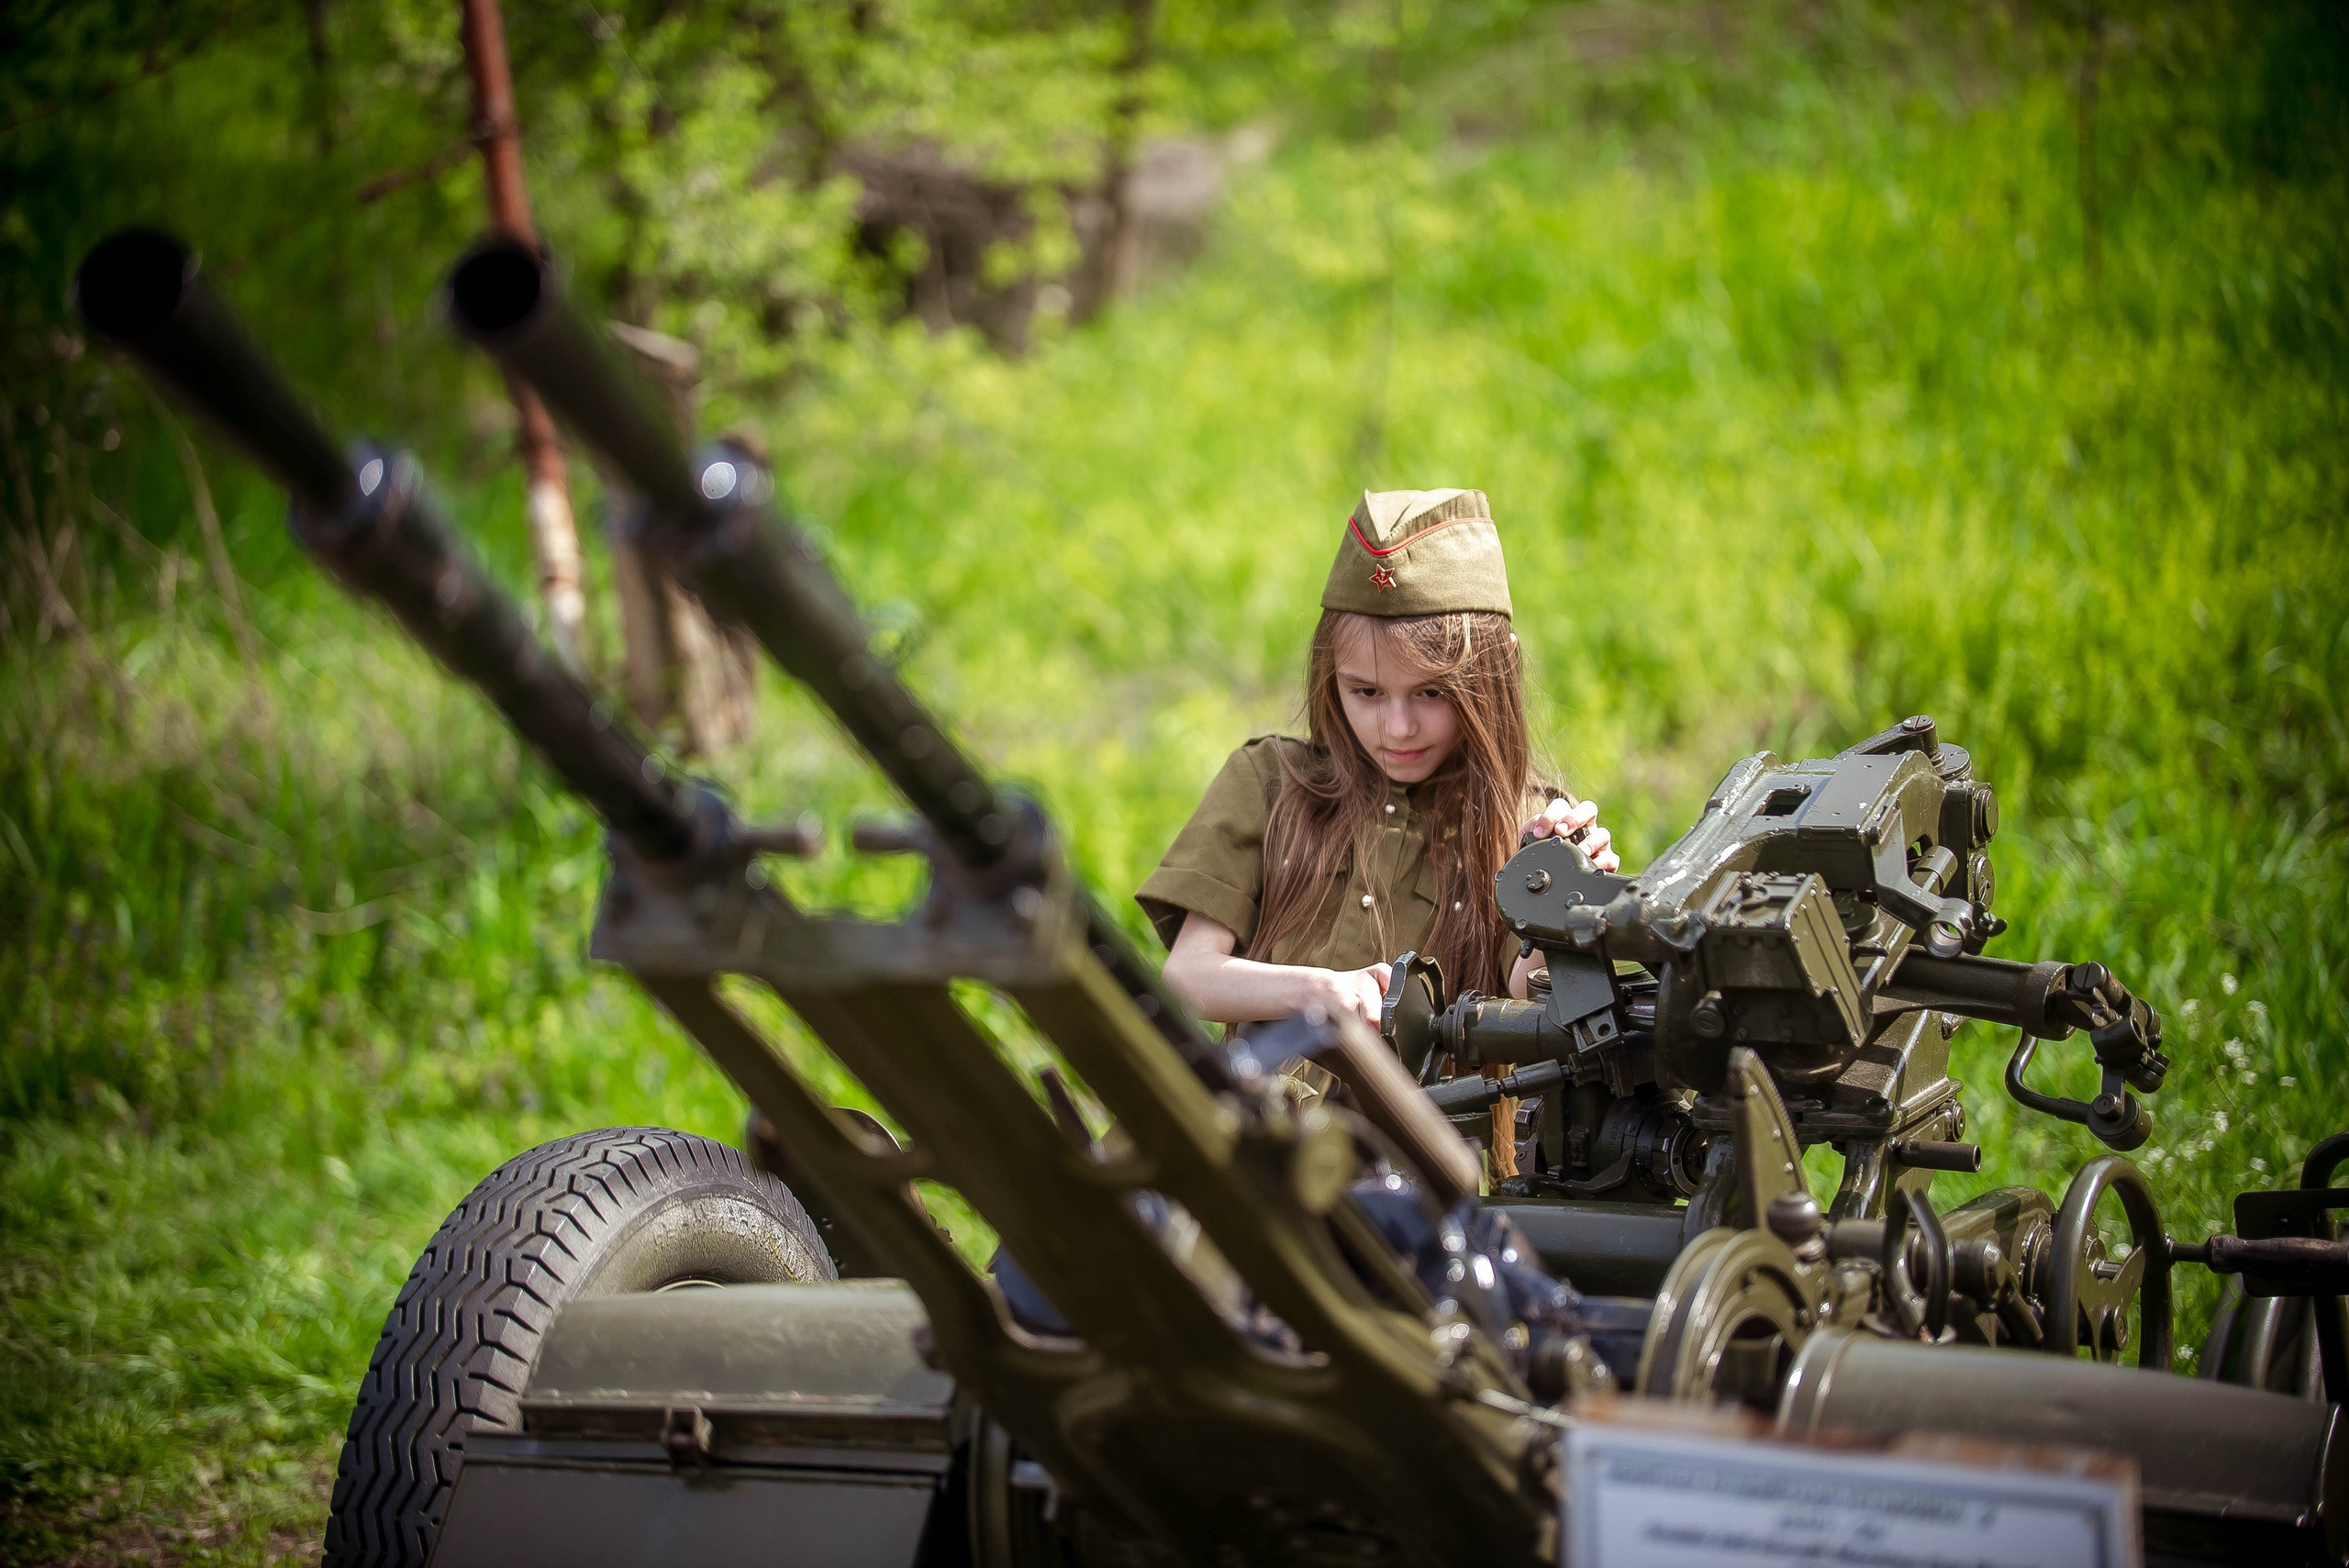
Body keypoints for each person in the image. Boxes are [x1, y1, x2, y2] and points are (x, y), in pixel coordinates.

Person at [1136, 488, 1615, 1180]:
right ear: (1330, 677)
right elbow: (1188, 976)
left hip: (1415, 1189)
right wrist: (1321, 994)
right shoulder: (1272, 781)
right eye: (1365, 692)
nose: (1397, 728)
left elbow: (1532, 1003)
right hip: (1244, 1147)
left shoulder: (1529, 821)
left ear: (1492, 682)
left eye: (1431, 693)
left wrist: (1567, 907)